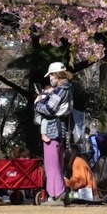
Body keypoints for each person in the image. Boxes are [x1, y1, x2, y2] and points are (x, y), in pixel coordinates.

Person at [34, 61, 74, 206]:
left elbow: (50, 109)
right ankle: (62, 193)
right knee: (57, 163)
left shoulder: (61, 90)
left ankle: (57, 195)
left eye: (51, 75)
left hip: (52, 129)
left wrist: (37, 103)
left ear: (55, 75)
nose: (50, 78)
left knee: (52, 164)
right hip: (60, 129)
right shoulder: (67, 88)